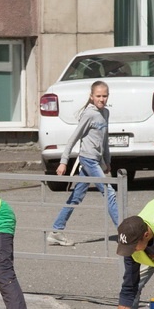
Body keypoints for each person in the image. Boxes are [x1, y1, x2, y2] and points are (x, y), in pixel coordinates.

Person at [48, 80, 120, 246]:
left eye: (105, 96)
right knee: (109, 193)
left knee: (76, 197)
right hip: (88, 159)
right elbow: (74, 138)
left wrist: (107, 161)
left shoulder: (105, 113)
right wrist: (63, 162)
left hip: (96, 160)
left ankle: (56, 231)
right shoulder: (89, 114)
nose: (102, 99)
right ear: (91, 96)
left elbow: (105, 140)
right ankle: (123, 232)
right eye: (98, 96)